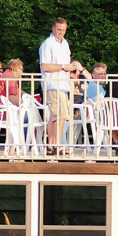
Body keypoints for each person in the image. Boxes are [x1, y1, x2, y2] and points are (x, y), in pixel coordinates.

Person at [38, 17, 75, 154]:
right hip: (53, 84)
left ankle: (52, 145)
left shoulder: (64, 43)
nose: (61, 32)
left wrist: (70, 69)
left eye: (64, 30)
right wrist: (64, 67)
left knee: (56, 116)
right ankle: (55, 144)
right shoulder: (47, 44)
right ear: (53, 28)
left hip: (62, 84)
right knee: (60, 115)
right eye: (59, 29)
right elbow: (45, 65)